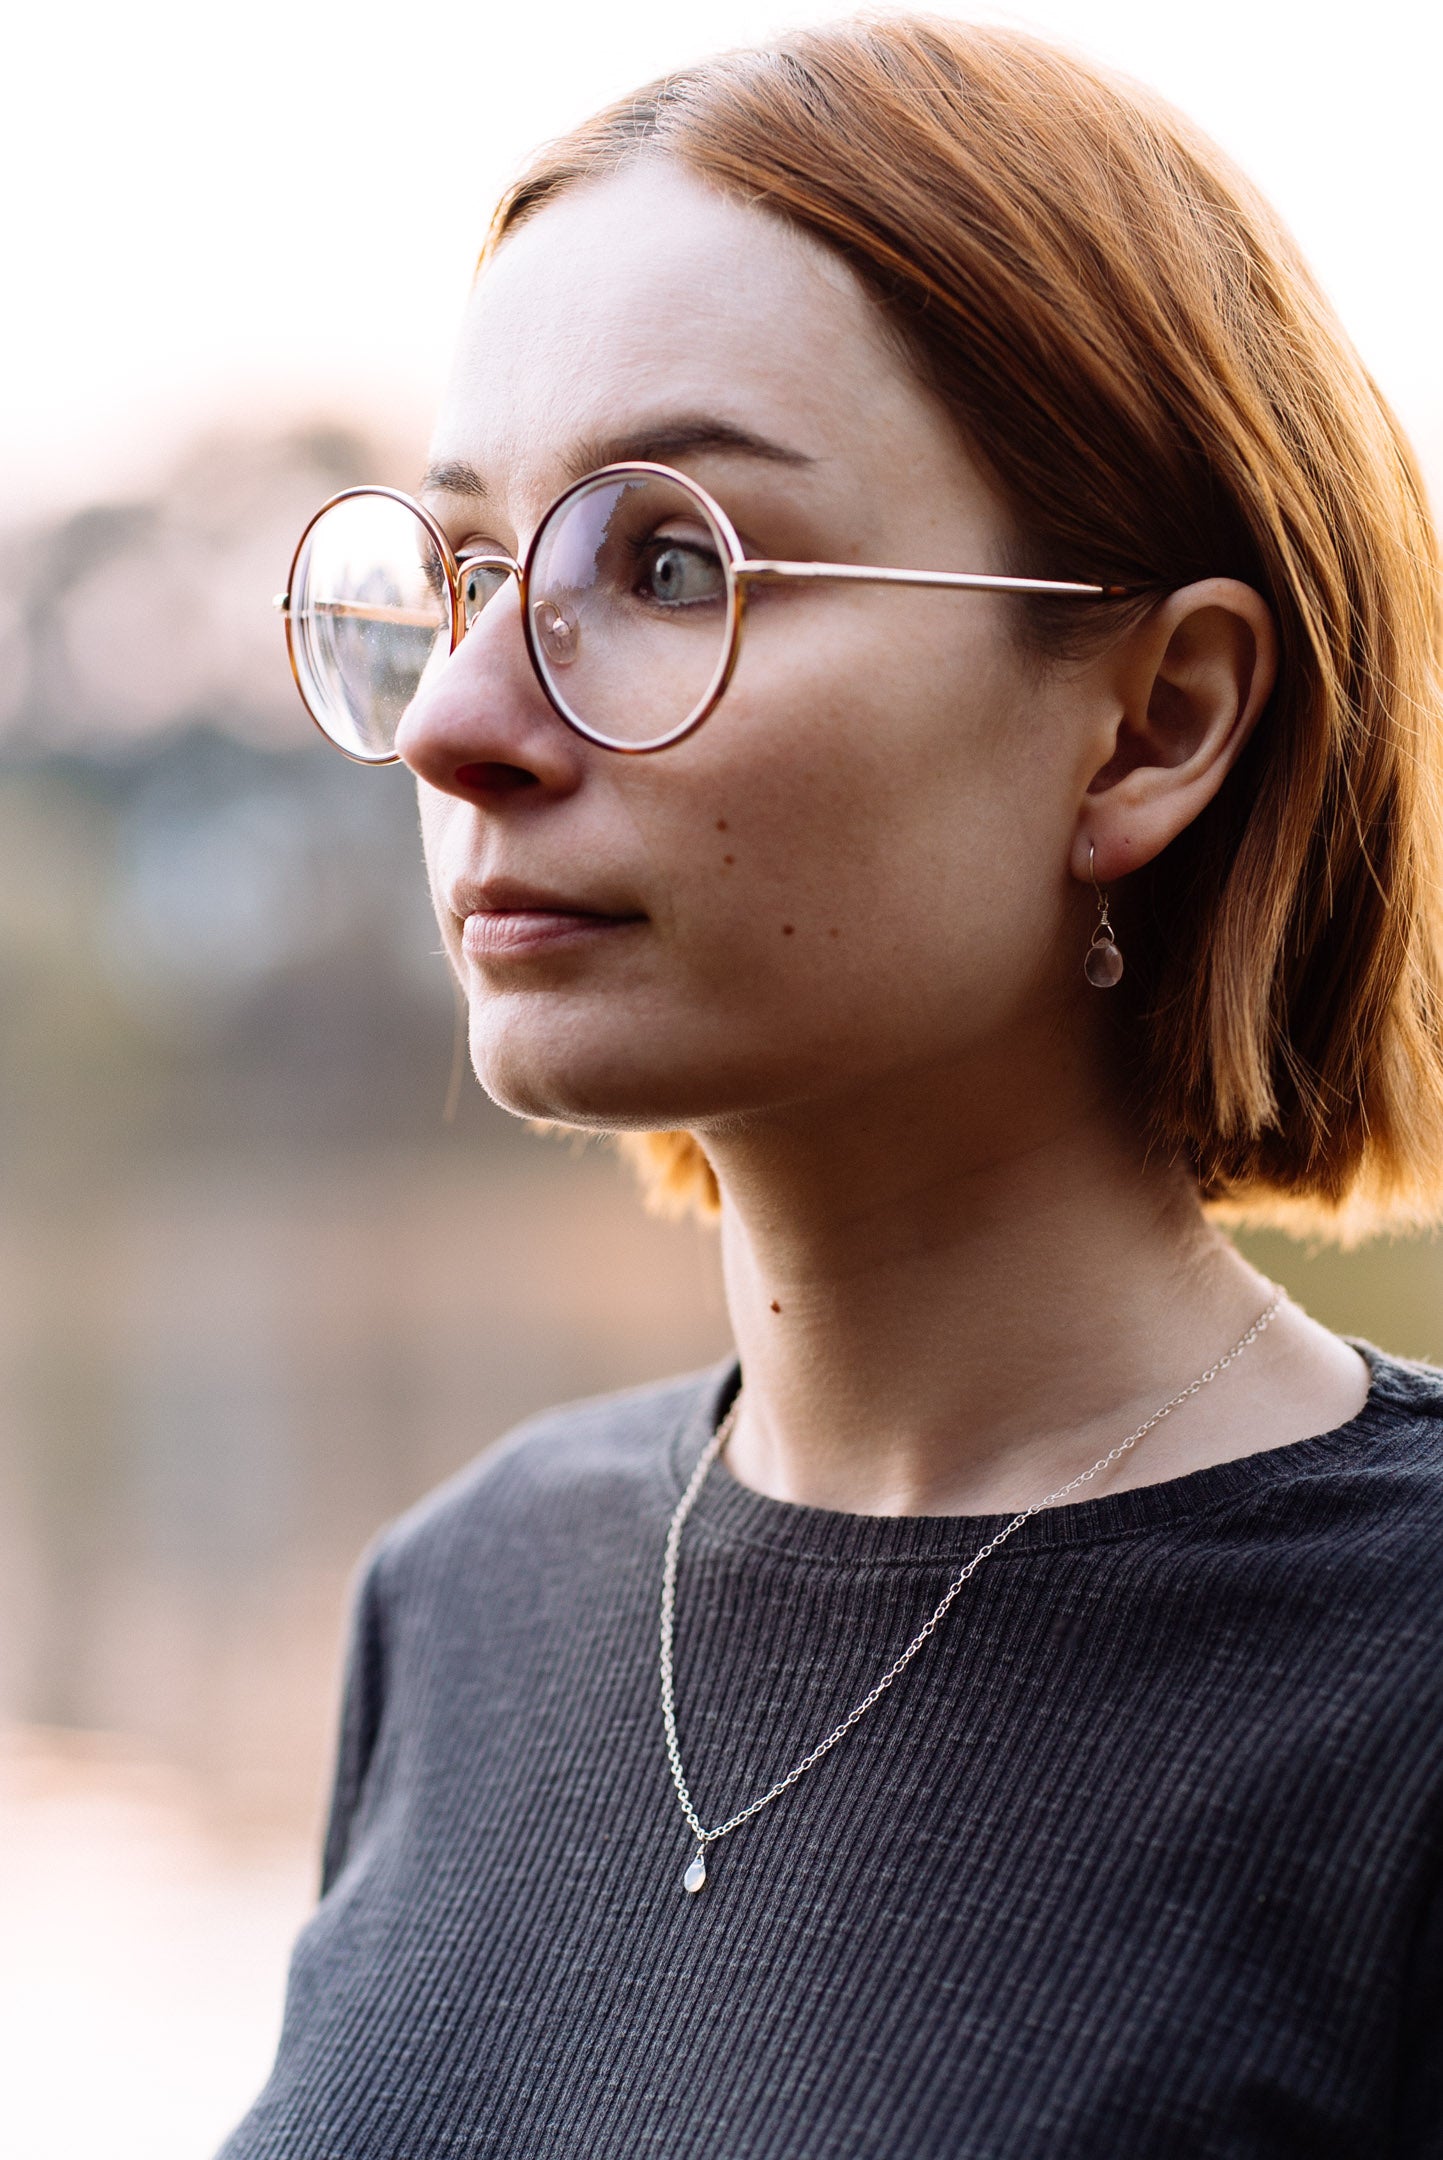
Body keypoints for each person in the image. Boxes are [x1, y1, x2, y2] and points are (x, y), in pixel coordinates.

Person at [228, 18, 1443, 2155]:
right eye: (470, 571)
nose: (460, 725)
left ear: (1152, 723)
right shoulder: (467, 1594)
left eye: (671, 564)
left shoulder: (1398, 1690)